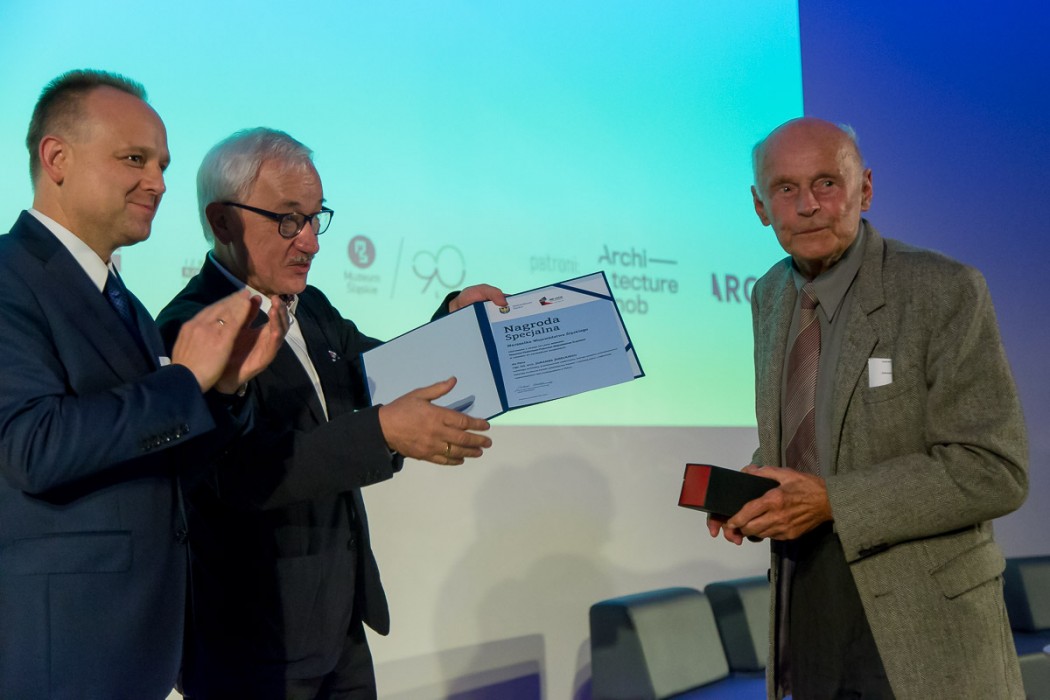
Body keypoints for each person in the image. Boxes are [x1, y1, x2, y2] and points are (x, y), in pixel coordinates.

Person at [156, 127, 507, 699]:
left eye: (316, 218)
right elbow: (238, 473)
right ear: (222, 221)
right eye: (289, 220)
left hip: (337, 625)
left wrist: (452, 323)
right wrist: (382, 432)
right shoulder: (190, 328)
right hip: (253, 641)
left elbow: (378, 373)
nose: (311, 242)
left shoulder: (310, 306)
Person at [707, 117, 1028, 698]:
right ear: (760, 207)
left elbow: (994, 469)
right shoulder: (769, 294)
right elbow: (811, 432)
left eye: (826, 183)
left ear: (866, 189)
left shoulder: (943, 288)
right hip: (806, 607)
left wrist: (831, 501)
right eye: (785, 188)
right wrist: (756, 490)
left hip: (926, 623)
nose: (808, 205)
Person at [0, 71, 288, 699]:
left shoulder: (123, 300)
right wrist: (183, 381)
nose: (157, 182)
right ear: (56, 158)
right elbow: (32, 446)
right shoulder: (9, 276)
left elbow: (160, 464)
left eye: (162, 165)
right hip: (59, 655)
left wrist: (224, 390)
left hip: (135, 649)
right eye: (134, 159)